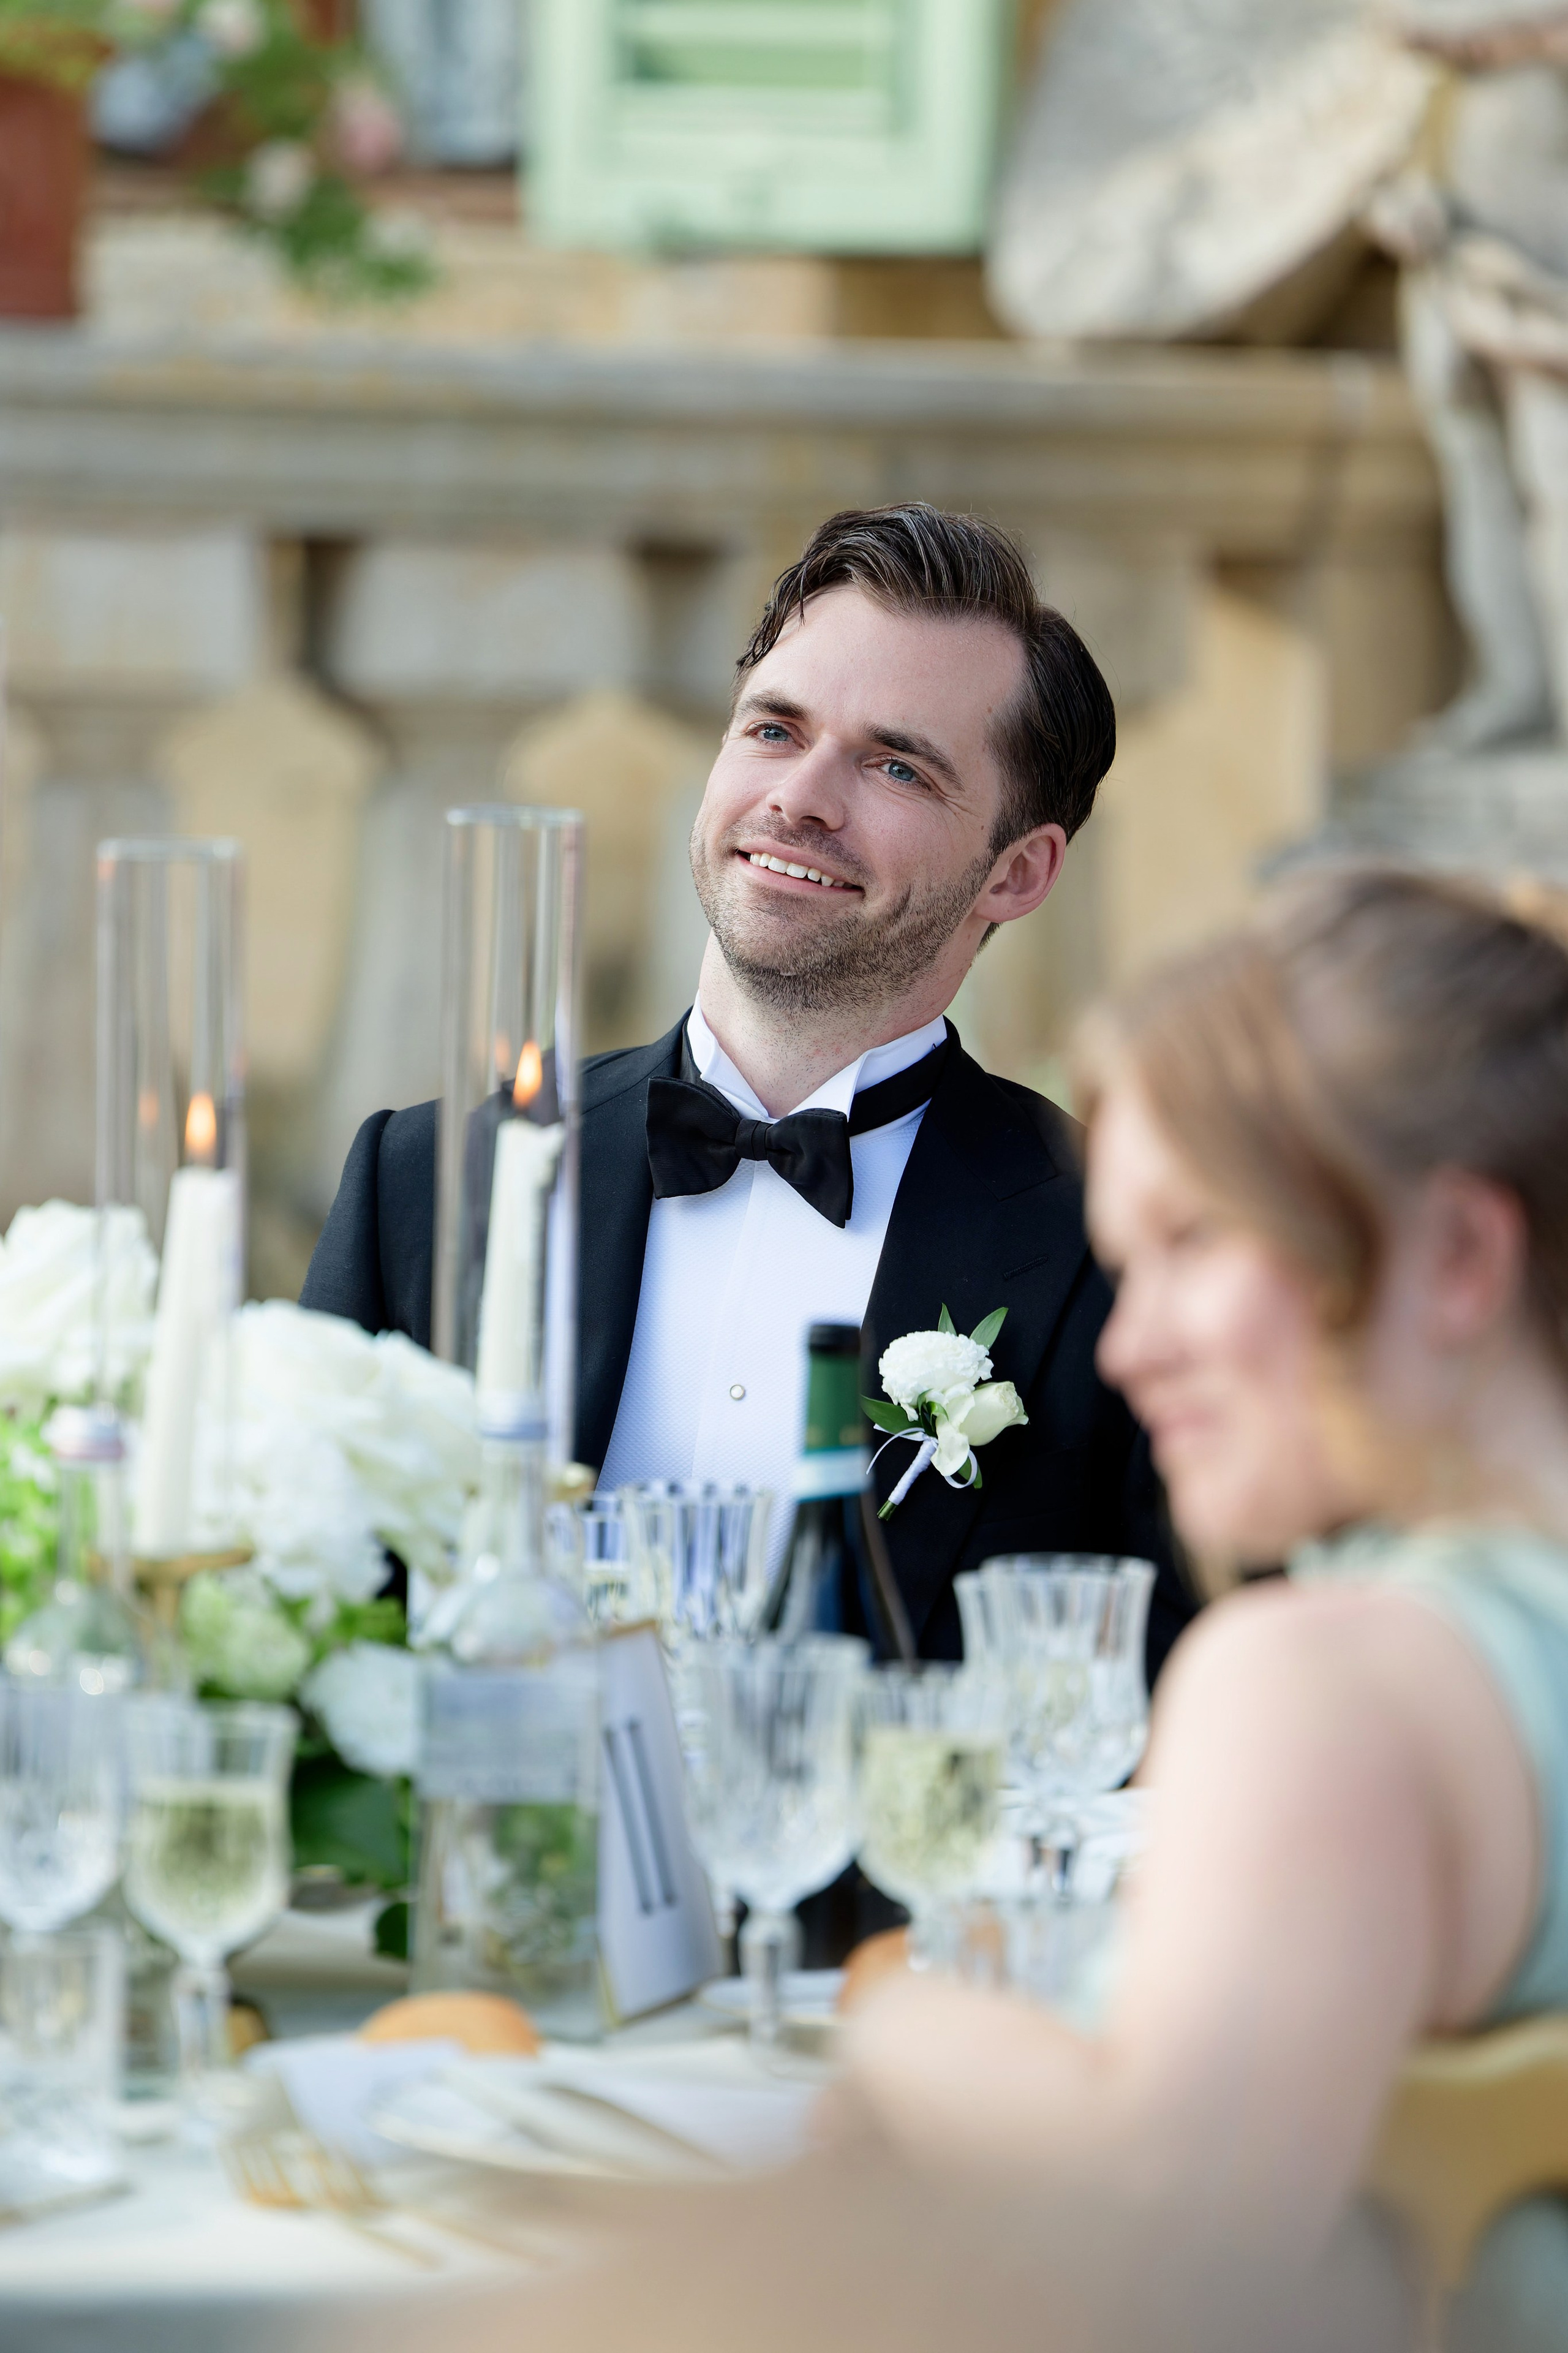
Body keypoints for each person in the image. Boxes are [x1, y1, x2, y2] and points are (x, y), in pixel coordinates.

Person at [845, 864, 1568, 2336]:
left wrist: (887, 2018)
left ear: (1455, 1256)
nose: (1129, 1347)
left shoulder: (1323, 1685)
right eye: (1123, 1264)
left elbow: (1164, 2216)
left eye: (1194, 1243)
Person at [301, 502, 1191, 1676]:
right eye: (774, 729)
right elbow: (298, 1637)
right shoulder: (424, 1185)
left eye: (896, 765)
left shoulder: (1114, 1251)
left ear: (1018, 872)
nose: (802, 798)